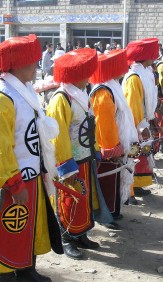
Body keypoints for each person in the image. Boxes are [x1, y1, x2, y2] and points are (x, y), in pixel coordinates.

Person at [0, 34, 63, 282]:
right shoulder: (5, 97)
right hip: (13, 177)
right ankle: (4, 275)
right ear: (17, 64)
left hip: (32, 170)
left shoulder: (23, 91)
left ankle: (25, 266)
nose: (37, 68)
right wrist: (13, 182)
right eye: (32, 63)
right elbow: (2, 147)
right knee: (10, 226)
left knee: (29, 224)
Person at [47, 48, 105, 260]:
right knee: (69, 199)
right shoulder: (61, 99)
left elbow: (91, 126)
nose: (88, 77)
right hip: (70, 160)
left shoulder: (82, 95)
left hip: (85, 156)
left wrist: (95, 149)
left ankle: (81, 233)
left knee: (84, 198)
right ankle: (66, 237)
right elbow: (58, 135)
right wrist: (65, 165)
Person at [89, 49, 139, 213]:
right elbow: (104, 123)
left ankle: (114, 210)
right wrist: (112, 147)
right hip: (108, 146)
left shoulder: (113, 87)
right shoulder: (103, 91)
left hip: (118, 141)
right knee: (108, 182)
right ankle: (107, 214)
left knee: (115, 181)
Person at [123, 38, 159, 199]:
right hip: (135, 122)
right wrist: (140, 126)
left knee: (142, 155)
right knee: (134, 155)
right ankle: (130, 189)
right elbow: (133, 105)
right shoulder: (134, 77)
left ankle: (138, 185)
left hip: (144, 119)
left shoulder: (146, 73)